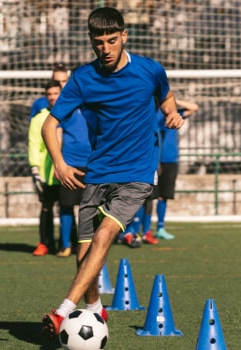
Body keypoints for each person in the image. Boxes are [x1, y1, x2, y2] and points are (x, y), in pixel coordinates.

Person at [40, 7, 184, 340]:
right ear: (91, 40)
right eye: (98, 41)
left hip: (137, 173)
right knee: (83, 255)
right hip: (98, 173)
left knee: (105, 235)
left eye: (111, 40)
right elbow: (50, 124)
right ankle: (93, 312)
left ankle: (61, 312)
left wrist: (172, 113)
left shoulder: (150, 70)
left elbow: (166, 96)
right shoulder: (82, 78)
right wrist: (59, 164)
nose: (105, 48)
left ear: (124, 37)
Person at [153, 99, 199, 240]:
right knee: (146, 197)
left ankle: (160, 227)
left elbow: (194, 107)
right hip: (155, 160)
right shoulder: (155, 115)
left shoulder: (176, 114)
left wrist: (176, 101)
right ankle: (135, 230)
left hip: (171, 160)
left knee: (164, 196)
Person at [28, 80, 63, 256]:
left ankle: (68, 243)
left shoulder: (70, 114)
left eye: (55, 93)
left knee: (68, 208)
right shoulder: (38, 118)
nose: (52, 97)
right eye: (49, 94)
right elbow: (34, 145)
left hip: (66, 171)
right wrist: (35, 169)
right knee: (46, 207)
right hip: (46, 173)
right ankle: (44, 243)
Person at [56, 106, 91, 257]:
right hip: (69, 164)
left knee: (91, 206)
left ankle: (88, 244)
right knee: (66, 204)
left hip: (92, 163)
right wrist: (58, 164)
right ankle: (66, 245)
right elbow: (57, 134)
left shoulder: (96, 103)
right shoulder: (67, 106)